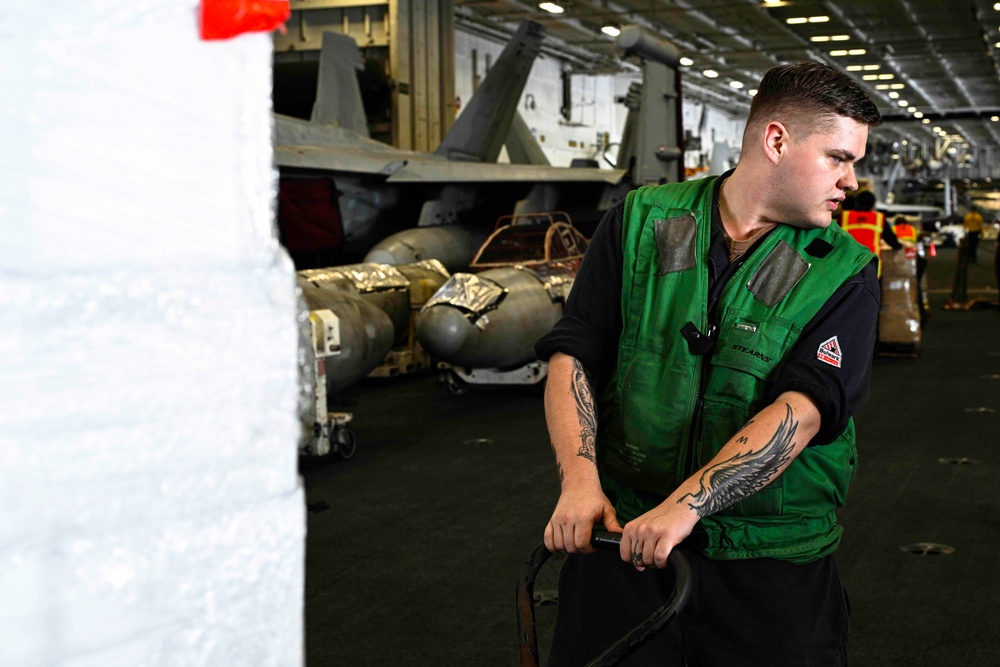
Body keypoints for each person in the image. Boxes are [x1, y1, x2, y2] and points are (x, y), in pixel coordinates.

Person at [534, 61, 882, 666]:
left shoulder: (845, 271)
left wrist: (687, 505)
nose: (852, 180)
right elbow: (575, 352)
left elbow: (799, 412)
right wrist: (580, 482)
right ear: (776, 141)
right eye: (837, 158)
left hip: (768, 564)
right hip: (625, 547)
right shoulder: (641, 222)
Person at [840, 189, 900, 277]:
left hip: (846, 266)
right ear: (873, 205)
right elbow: (893, 241)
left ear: (856, 203)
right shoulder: (879, 219)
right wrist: (899, 247)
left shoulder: (845, 217)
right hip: (870, 266)